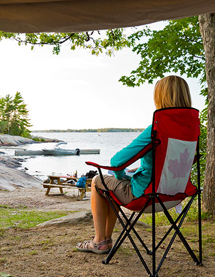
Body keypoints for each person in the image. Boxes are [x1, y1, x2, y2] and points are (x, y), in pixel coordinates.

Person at [76, 75, 192, 254]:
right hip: (176, 195)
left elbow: (116, 162)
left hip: (147, 197)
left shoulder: (157, 128)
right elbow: (175, 162)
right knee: (113, 185)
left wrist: (121, 176)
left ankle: (99, 241)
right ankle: (105, 240)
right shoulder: (191, 129)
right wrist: (143, 169)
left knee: (99, 181)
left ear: (160, 98)